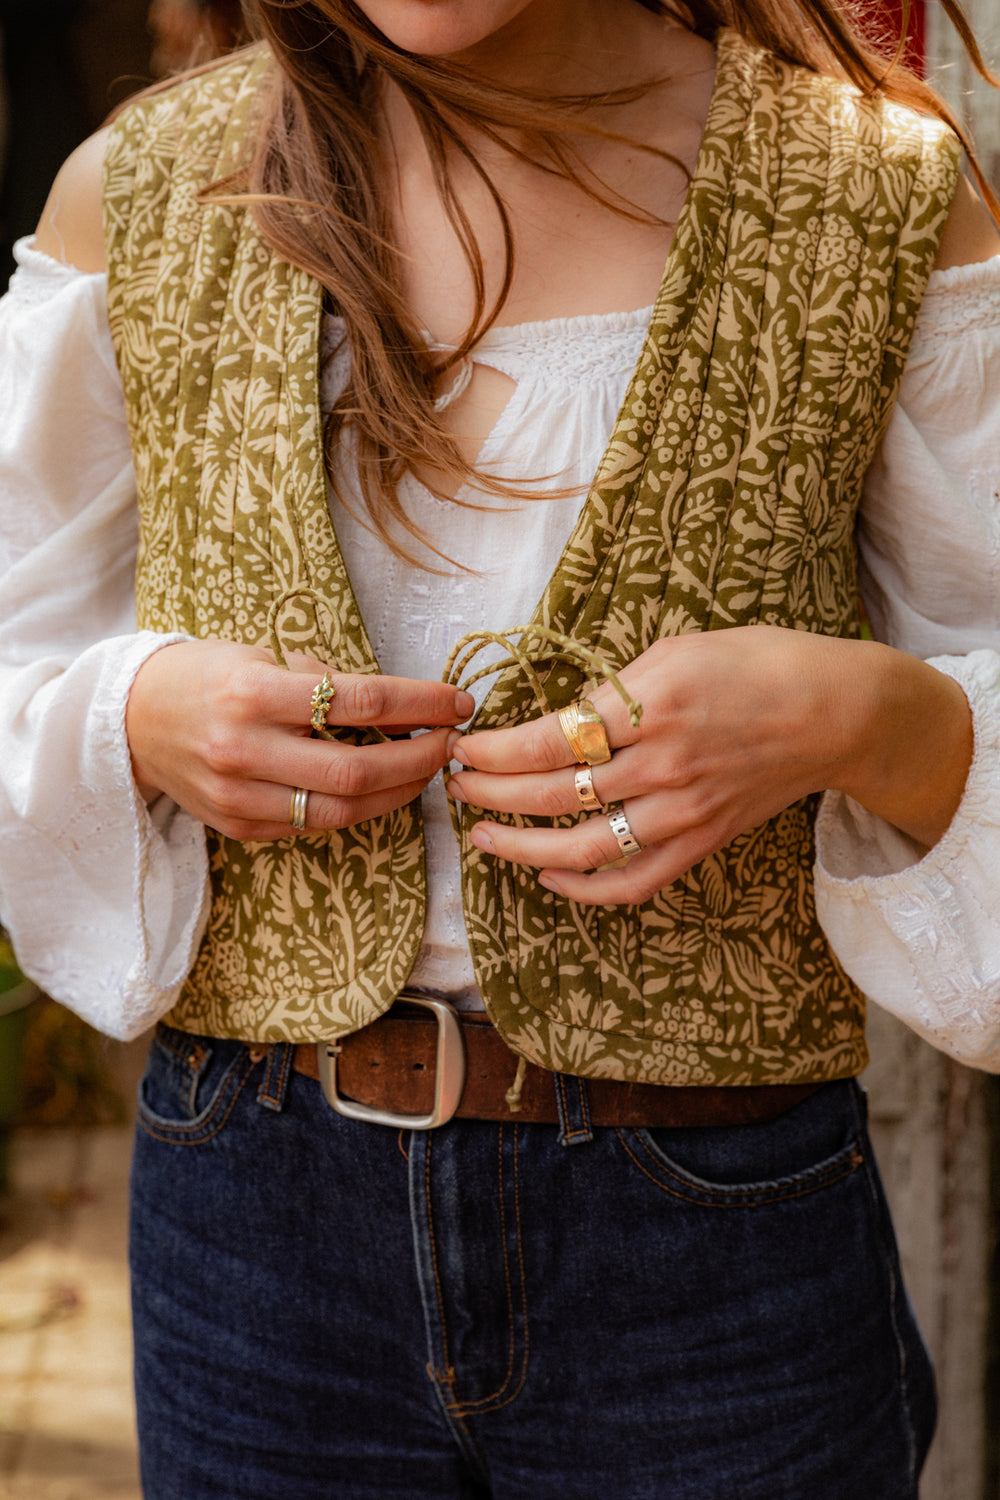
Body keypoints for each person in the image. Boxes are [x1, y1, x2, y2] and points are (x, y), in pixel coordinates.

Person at [2, 0, 1000, 1495]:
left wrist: (855, 713)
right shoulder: (142, 191)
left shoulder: (874, 190)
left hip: (716, 1242)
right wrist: (134, 714)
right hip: (257, 1226)